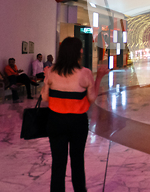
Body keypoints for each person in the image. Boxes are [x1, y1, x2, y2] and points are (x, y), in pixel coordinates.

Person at [41, 37, 108, 192]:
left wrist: (46, 77)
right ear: (78, 52)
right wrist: (98, 78)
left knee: (58, 162)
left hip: (55, 121)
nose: (82, 51)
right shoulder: (85, 73)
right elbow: (91, 99)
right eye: (81, 48)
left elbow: (44, 98)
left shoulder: (52, 71)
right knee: (77, 161)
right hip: (77, 122)